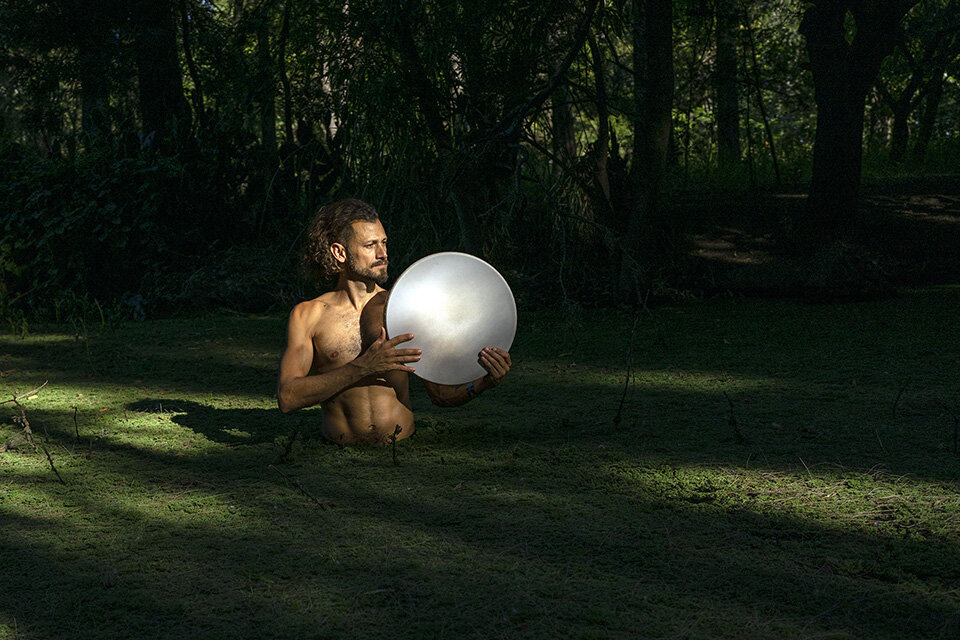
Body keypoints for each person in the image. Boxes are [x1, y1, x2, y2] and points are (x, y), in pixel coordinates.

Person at [276, 198, 512, 445]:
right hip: (336, 462)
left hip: (403, 457)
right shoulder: (308, 315)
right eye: (370, 245)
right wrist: (364, 367)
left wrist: (484, 382)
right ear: (339, 252)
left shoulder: (406, 307)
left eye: (384, 243)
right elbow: (288, 398)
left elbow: (442, 396)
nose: (383, 254)